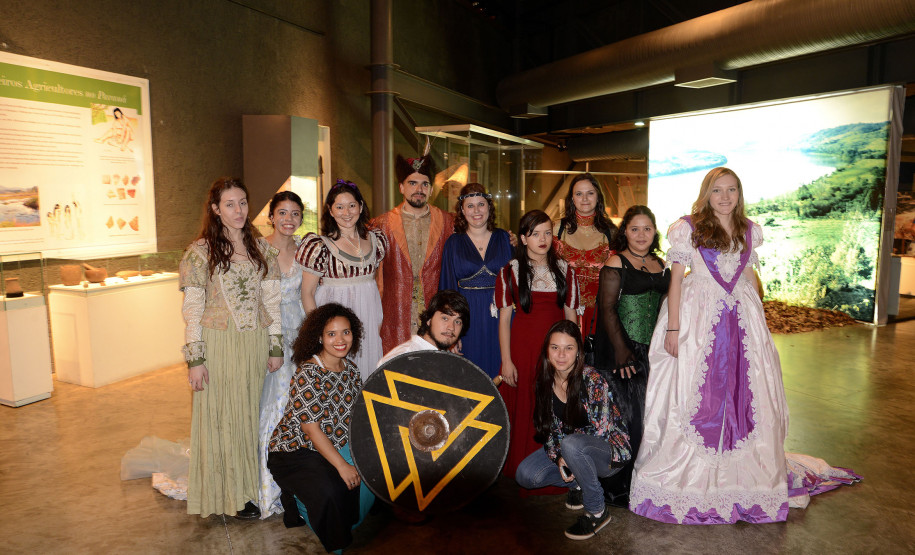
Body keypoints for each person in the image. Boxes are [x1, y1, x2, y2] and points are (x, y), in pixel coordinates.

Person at [630, 167, 790, 524]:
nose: (725, 197)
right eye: (717, 190)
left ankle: (743, 481)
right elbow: (675, 283)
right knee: (695, 394)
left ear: (739, 193)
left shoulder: (750, 230)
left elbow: (749, 275)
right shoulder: (688, 228)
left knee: (744, 394)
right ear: (706, 193)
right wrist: (673, 328)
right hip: (698, 318)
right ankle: (688, 480)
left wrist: (759, 322)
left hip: (741, 320)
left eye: (732, 190)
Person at [179, 177, 283, 519]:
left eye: (242, 203)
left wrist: (275, 345)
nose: (238, 211)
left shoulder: (261, 247)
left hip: (253, 343)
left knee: (248, 417)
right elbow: (193, 309)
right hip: (218, 342)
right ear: (215, 209)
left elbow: (272, 300)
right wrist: (195, 359)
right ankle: (225, 494)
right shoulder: (200, 252)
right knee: (221, 417)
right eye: (229, 204)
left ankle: (246, 492)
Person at [266, 303, 369, 553]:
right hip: (295, 450)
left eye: (346, 332)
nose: (340, 340)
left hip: (331, 445)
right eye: (331, 334)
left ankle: (342, 520)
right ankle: (336, 544)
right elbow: (311, 430)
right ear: (320, 338)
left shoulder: (352, 371)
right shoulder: (309, 373)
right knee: (332, 490)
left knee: (371, 479)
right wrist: (342, 465)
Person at [516, 320, 630, 540]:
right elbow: (550, 430)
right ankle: (579, 482)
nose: (561, 355)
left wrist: (568, 451)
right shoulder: (545, 380)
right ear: (547, 351)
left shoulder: (592, 379)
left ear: (578, 352)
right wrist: (558, 456)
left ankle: (597, 510)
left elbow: (601, 431)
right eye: (555, 347)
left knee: (571, 444)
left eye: (569, 348)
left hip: (608, 453)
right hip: (571, 450)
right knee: (526, 475)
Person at [591, 205, 670, 507]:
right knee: (630, 419)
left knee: (654, 416)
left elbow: (665, 305)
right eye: (634, 228)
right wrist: (624, 353)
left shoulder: (660, 263)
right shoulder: (616, 261)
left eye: (647, 228)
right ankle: (618, 484)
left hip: (654, 351)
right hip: (623, 350)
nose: (641, 234)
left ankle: (646, 478)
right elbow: (608, 309)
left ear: (654, 231)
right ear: (625, 231)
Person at [495, 209, 580, 480]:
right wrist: (506, 360)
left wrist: (575, 356)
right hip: (523, 349)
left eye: (547, 233)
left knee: (556, 405)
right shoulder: (510, 271)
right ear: (523, 238)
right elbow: (504, 319)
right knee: (526, 405)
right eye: (535, 234)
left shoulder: (566, 270)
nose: (542, 239)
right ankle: (522, 469)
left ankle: (561, 471)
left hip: (559, 352)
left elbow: (571, 317)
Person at [297, 180, 387, 381]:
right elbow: (307, 293)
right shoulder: (319, 246)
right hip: (333, 318)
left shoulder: (376, 240)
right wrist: (322, 329)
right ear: (330, 210)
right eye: (339, 206)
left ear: (361, 207)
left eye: (352, 205)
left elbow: (378, 285)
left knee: (366, 372)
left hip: (368, 317)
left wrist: (378, 321)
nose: (346, 212)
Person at [256, 191, 306, 519]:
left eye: (295, 214)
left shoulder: (306, 248)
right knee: (273, 402)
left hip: (301, 329)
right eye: (282, 213)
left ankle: (300, 482)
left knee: (299, 402)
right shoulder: (257, 249)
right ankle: (266, 483)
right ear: (271, 216)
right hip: (269, 332)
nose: (289, 219)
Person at [372, 154, 454, 354]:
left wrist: (508, 239)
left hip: (435, 312)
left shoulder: (449, 222)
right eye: (413, 183)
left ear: (431, 189)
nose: (419, 190)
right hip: (396, 314)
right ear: (401, 187)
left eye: (425, 184)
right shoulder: (380, 224)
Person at [438, 183, 513, 378]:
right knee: (469, 378)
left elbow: (516, 283)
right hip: (467, 320)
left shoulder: (505, 238)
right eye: (470, 206)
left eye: (481, 204)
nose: (476, 211)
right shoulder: (453, 243)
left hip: (502, 319)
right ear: (462, 211)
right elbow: (447, 290)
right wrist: (451, 333)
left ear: (489, 206)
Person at [553, 173, 617, 337]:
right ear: (572, 198)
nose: (585, 199)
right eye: (579, 194)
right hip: (562, 309)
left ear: (598, 197)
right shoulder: (556, 228)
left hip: (599, 313)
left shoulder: (611, 232)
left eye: (590, 193)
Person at [377, 289, 470, 367]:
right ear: (429, 320)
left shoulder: (449, 360)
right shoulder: (401, 359)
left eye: (457, 322)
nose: (451, 328)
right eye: (445, 318)